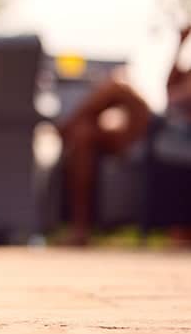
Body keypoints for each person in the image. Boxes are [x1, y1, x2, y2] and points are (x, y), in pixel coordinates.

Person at [59, 25, 191, 246]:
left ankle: (62, 130)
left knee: (118, 85)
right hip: (161, 132)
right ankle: (80, 230)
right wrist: (181, 42)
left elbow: (174, 98)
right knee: (84, 135)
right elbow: (170, 87)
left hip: (170, 134)